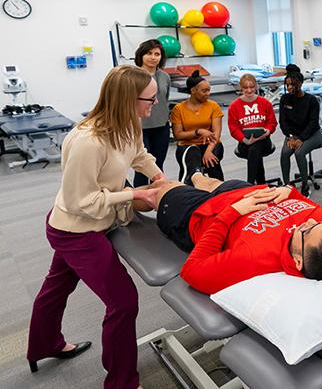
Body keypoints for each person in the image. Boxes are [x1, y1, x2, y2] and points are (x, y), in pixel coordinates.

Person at [27, 65, 164, 389]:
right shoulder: (88, 141)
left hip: (88, 223)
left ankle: (44, 344)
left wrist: (158, 176)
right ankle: (121, 382)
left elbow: (139, 155)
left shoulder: (129, 124)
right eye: (150, 99)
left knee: (57, 286)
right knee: (124, 301)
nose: (154, 105)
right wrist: (134, 194)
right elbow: (80, 202)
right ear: (128, 99)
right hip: (75, 231)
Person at [149, 175, 322, 295]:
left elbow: (192, 270)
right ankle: (195, 174)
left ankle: (128, 195)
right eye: (318, 223)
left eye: (307, 230)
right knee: (211, 182)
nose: (310, 221)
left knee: (161, 188)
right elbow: (309, 205)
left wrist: (233, 212)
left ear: (298, 260)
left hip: (203, 213)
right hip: (248, 192)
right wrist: (290, 192)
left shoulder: (253, 258)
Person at [170, 74, 225, 182]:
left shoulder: (213, 106)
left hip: (210, 144)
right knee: (192, 167)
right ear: (193, 90)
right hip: (187, 145)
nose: (208, 94)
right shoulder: (179, 109)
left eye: (209, 90)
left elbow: (216, 133)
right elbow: (178, 134)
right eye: (204, 91)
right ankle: (187, 189)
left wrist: (209, 151)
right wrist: (198, 131)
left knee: (211, 162)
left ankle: (219, 190)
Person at [279, 67, 322, 196]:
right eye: (287, 85)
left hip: (312, 134)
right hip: (293, 135)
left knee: (299, 153)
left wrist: (301, 139)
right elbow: (283, 122)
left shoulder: (311, 100)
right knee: (285, 153)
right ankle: (286, 185)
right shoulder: (284, 99)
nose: (289, 87)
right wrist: (291, 136)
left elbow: (313, 123)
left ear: (300, 83)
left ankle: (305, 185)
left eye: (292, 84)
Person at [133, 39, 171, 187]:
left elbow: (163, 99)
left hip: (161, 126)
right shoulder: (133, 76)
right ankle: (139, 203)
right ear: (141, 55)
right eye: (149, 53)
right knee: (142, 168)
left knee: (158, 166)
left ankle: (157, 199)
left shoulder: (165, 77)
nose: (153, 57)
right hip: (140, 128)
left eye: (157, 54)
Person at [227, 74, 277, 185]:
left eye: (252, 87)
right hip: (244, 143)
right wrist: (245, 140)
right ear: (241, 88)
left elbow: (272, 123)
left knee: (255, 147)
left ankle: (250, 184)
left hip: (264, 141)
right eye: (245, 88)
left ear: (256, 86)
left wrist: (267, 131)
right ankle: (260, 184)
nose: (249, 90)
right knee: (254, 149)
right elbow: (233, 128)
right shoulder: (234, 106)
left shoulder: (265, 103)